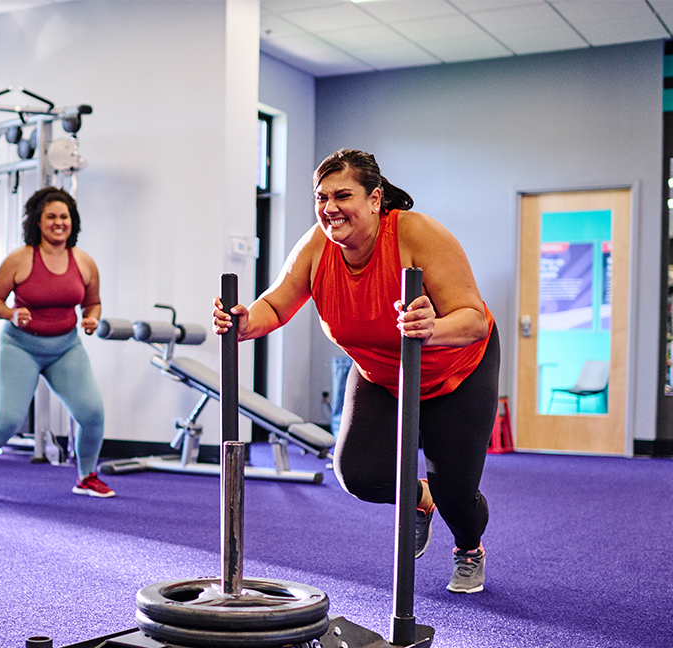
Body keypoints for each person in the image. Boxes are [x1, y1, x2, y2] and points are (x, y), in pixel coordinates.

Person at [213, 149, 499, 593]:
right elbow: (275, 303)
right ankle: (420, 500)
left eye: (342, 195)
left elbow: (473, 319)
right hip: (380, 373)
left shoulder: (416, 235)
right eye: (320, 197)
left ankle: (468, 546)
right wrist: (248, 321)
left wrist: (432, 328)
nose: (329, 208)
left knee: (457, 494)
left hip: (455, 368)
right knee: (358, 473)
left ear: (374, 199)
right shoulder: (316, 247)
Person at [0, 187, 114, 500]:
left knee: (92, 413)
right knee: (7, 420)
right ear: (38, 223)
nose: (58, 222)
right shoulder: (20, 259)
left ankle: (86, 476)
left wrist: (92, 318)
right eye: (50, 216)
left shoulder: (84, 262)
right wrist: (12, 314)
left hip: (65, 348)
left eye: (64, 216)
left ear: (72, 221)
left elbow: (92, 303)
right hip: (20, 347)